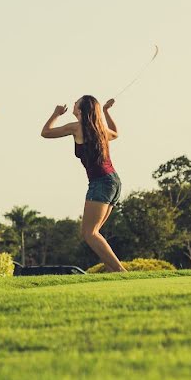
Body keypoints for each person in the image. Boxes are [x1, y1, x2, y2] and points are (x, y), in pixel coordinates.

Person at [41, 96, 127, 272]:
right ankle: (113, 272)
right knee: (94, 233)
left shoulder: (76, 127)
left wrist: (55, 114)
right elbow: (115, 133)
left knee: (89, 233)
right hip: (113, 182)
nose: (73, 104)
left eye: (76, 103)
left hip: (100, 183)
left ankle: (120, 270)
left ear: (80, 110)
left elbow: (46, 133)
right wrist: (106, 112)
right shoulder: (100, 129)